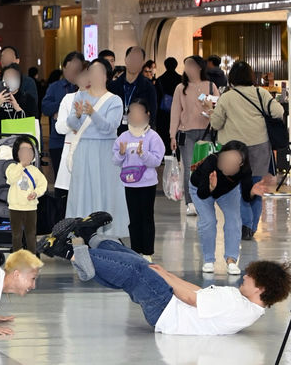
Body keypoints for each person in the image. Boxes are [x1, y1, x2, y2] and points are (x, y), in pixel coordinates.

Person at [42, 213, 291, 336]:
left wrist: (163, 278)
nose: (244, 277)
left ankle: (66, 251)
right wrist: (166, 274)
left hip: (167, 311)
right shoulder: (244, 304)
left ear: (261, 288)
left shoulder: (239, 306)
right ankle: (90, 237)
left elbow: (193, 299)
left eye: (250, 278)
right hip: (170, 305)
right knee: (140, 264)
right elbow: (198, 292)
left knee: (136, 271)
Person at [207, 61, 283, 241]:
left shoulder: (226, 97)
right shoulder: (260, 93)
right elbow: (278, 111)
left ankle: (245, 224)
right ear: (251, 76)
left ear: (232, 77)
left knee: (238, 186)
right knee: (255, 185)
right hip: (259, 147)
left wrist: (211, 112)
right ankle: (251, 226)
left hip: (234, 150)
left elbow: (216, 124)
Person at [65, 58, 129, 238]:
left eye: (99, 72)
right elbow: (71, 123)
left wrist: (93, 113)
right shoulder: (80, 95)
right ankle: (80, 230)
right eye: (91, 72)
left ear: (106, 76)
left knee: (104, 189)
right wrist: (77, 114)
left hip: (105, 151)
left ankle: (105, 232)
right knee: (82, 190)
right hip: (84, 149)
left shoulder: (114, 100)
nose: (94, 75)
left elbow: (109, 127)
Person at [190, 142, 269, 275]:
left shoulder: (245, 170)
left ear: (242, 163)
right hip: (201, 189)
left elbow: (246, 197)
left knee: (234, 220)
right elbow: (202, 194)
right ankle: (208, 260)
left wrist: (252, 192)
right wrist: (211, 187)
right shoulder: (211, 162)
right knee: (208, 221)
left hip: (227, 192)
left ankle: (231, 260)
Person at [112, 98, 164, 261]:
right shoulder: (123, 136)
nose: (134, 116)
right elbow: (115, 161)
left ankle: (147, 251)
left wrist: (143, 154)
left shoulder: (153, 137)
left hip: (147, 183)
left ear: (147, 114)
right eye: (131, 112)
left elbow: (156, 161)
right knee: (133, 218)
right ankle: (135, 250)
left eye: (138, 112)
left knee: (146, 217)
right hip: (130, 183)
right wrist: (121, 153)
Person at [169, 56, 220, 216]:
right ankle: (190, 202)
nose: (188, 69)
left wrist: (209, 107)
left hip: (207, 131)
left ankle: (205, 199)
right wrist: (172, 135)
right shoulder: (180, 88)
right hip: (187, 132)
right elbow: (175, 112)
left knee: (207, 167)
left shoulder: (211, 86)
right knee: (189, 168)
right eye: (186, 66)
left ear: (199, 67)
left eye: (190, 65)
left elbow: (219, 110)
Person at [54, 64, 91, 215]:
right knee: (66, 204)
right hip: (70, 156)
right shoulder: (69, 99)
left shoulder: (102, 100)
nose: (87, 79)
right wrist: (74, 118)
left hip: (91, 157)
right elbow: (60, 128)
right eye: (83, 75)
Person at [41, 51, 84, 177]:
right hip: (58, 141)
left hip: (79, 141)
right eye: (71, 68)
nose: (73, 72)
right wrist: (62, 106)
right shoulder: (55, 87)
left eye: (77, 69)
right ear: (64, 67)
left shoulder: (84, 89)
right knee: (61, 180)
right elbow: (45, 108)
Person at [6, 135, 47, 254]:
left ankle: (31, 259)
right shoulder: (12, 167)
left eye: (29, 151)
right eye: (23, 151)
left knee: (31, 235)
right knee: (16, 235)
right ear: (16, 153)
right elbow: (12, 178)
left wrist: (36, 193)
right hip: (15, 207)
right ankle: (17, 259)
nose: (26, 154)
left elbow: (42, 184)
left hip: (31, 207)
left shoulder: (35, 170)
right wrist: (21, 165)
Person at [108, 47, 158, 135]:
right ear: (125, 59)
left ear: (142, 63)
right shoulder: (113, 86)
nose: (134, 62)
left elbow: (152, 115)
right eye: (132, 58)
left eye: (138, 59)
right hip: (115, 134)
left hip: (138, 134)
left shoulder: (148, 87)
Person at [0, 46, 38, 117]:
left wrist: (16, 104)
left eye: (9, 57)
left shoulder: (28, 82)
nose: (6, 60)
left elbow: (33, 109)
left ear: (17, 61)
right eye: (3, 57)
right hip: (2, 126)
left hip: (22, 125)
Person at [0, 63, 38, 131]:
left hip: (23, 138)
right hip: (1, 138)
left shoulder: (28, 99)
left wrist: (17, 107)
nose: (10, 79)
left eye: (14, 77)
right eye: (7, 76)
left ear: (20, 80)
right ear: (2, 80)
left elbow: (33, 122)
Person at [155, 57, 183, 155]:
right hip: (178, 111)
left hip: (163, 112)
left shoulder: (159, 80)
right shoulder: (181, 79)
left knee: (163, 132)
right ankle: (176, 152)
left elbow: (157, 98)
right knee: (176, 132)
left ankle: (164, 153)